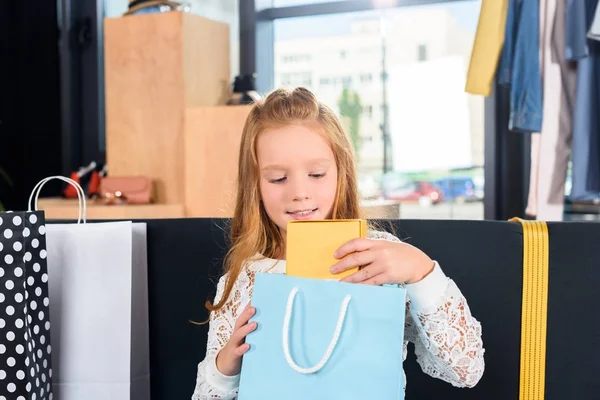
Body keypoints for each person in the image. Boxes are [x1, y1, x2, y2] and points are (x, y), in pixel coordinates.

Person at [192, 87, 485, 399]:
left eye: (316, 174)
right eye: (278, 178)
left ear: (340, 173)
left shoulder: (379, 258)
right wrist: (226, 365)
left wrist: (420, 269)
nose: (299, 192)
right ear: (256, 186)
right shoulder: (244, 280)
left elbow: (465, 369)